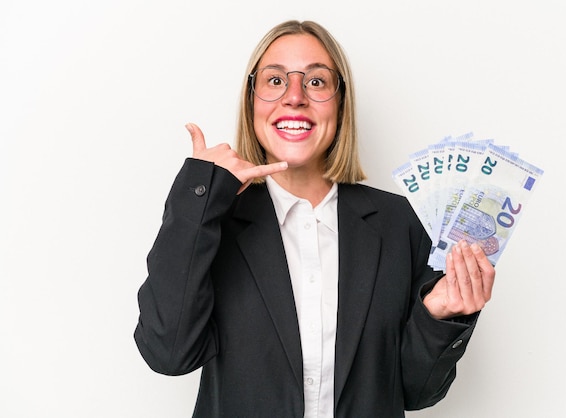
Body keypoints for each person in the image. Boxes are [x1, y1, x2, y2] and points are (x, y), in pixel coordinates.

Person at [134, 19, 496, 418]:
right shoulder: (214, 221)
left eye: (317, 82)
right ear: (251, 101)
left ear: (341, 103)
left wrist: (438, 317)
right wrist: (198, 195)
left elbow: (415, 392)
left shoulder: (399, 224)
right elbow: (169, 353)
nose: (294, 97)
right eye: (274, 81)